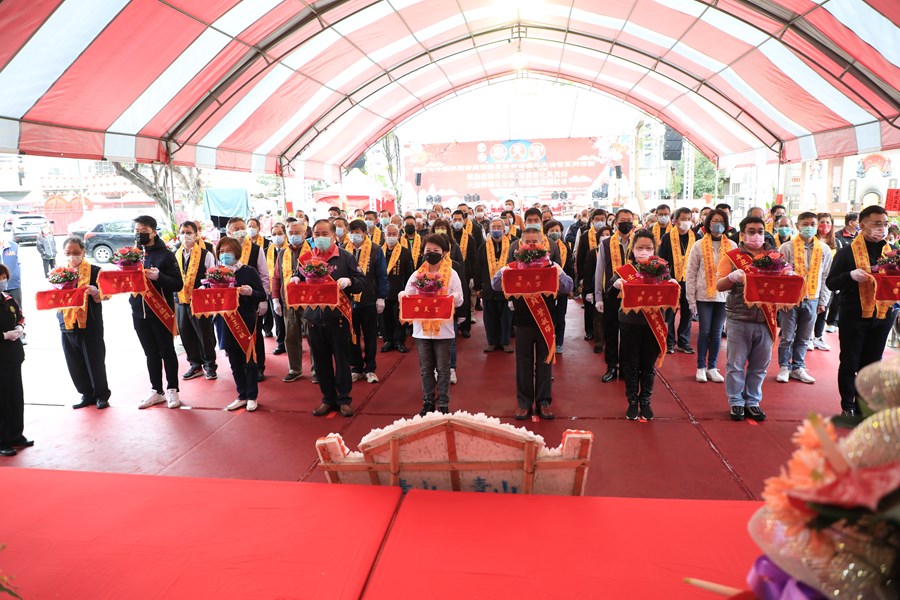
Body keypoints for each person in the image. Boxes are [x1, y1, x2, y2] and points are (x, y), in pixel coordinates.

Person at [493, 227, 573, 420]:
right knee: (523, 363)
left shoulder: (551, 266)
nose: (531, 246)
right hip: (522, 322)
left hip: (545, 321)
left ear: (543, 244)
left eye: (534, 242)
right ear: (520, 245)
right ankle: (524, 403)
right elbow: (495, 286)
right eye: (527, 242)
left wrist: (558, 273)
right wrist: (503, 271)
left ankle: (544, 402)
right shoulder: (514, 267)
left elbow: (568, 286)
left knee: (545, 362)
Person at [825, 205, 896, 417]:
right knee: (850, 361)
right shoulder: (847, 252)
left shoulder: (892, 252)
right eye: (876, 224)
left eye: (884, 224)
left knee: (873, 364)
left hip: (883, 314)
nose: (881, 228)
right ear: (862, 225)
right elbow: (831, 283)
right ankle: (848, 405)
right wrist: (850, 276)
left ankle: (864, 405)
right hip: (854, 314)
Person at [302, 220, 365, 416]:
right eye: (316, 234)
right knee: (320, 362)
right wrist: (296, 278)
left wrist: (350, 281)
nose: (320, 238)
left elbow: (361, 282)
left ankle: (344, 399)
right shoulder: (307, 260)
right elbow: (299, 279)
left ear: (333, 235)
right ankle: (327, 398)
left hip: (338, 318)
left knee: (342, 359)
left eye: (324, 234)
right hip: (313, 318)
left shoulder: (345, 257)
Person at [715, 216, 775, 422]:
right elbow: (719, 285)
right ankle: (736, 401)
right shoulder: (732, 257)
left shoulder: (774, 256)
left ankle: (752, 401)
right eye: (751, 231)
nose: (756, 235)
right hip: (739, 317)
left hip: (766, 318)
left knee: (760, 366)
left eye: (760, 230)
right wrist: (732, 278)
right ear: (742, 234)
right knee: (736, 364)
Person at [610, 229, 671, 420]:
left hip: (653, 324)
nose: (644, 251)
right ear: (633, 250)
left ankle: (645, 401)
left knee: (648, 365)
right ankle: (632, 401)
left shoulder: (662, 270)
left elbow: (669, 293)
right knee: (630, 364)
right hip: (630, 323)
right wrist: (616, 284)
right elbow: (611, 288)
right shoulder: (625, 271)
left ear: (655, 249)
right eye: (640, 248)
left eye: (648, 248)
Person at [400, 235, 464, 416]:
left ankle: (443, 403)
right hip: (421, 331)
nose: (432, 254)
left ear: (444, 253)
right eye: (428, 251)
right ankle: (428, 402)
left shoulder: (452, 273)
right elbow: (409, 294)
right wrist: (403, 294)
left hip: (444, 330)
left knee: (444, 369)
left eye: (436, 251)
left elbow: (460, 299)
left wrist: (448, 298)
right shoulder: (417, 274)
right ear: (423, 253)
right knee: (426, 369)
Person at [133, 215, 185, 410]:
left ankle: (172, 389)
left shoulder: (166, 254)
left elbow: (178, 284)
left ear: (154, 231)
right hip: (139, 312)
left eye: (143, 231)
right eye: (137, 231)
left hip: (160, 311)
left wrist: (159, 277)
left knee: (167, 351)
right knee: (150, 353)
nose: (139, 234)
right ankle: (157, 391)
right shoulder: (133, 254)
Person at [211, 237, 268, 412]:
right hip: (224, 321)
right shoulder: (215, 273)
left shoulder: (248, 271)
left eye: (228, 251)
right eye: (221, 251)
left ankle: (252, 395)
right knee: (234, 360)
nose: (225, 255)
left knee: (249, 360)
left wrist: (251, 292)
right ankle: (242, 394)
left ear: (237, 252)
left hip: (245, 320)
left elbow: (261, 294)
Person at [776, 212, 832, 385]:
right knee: (787, 335)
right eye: (805, 224)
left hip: (812, 297)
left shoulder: (824, 249)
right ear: (798, 226)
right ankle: (784, 366)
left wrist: (823, 300)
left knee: (804, 336)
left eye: (812, 224)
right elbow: (779, 275)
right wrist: (782, 300)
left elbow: (826, 277)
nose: (809, 227)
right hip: (791, 299)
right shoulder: (787, 247)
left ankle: (798, 367)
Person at [58, 237, 111, 410]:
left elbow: (107, 294)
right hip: (66, 322)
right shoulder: (60, 273)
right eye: (68, 253)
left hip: (90, 323)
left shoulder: (95, 271)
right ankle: (86, 393)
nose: (72, 257)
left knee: (94, 359)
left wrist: (96, 292)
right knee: (73, 360)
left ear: (84, 252)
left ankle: (101, 395)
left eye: (76, 253)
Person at [686, 209, 735, 383]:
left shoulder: (732, 246)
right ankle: (701, 366)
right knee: (704, 331)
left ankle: (712, 367)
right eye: (714, 220)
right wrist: (690, 299)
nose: (718, 224)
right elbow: (691, 273)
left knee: (716, 333)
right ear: (708, 223)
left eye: (721, 221)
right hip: (703, 296)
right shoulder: (698, 245)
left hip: (723, 297)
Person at [225, 217, 271, 381]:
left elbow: (264, 275)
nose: (240, 231)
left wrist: (264, 298)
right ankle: (240, 366)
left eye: (242, 227)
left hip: (252, 300)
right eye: (236, 228)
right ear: (229, 231)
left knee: (255, 335)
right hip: (230, 303)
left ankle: (258, 366)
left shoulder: (255, 249)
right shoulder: (224, 251)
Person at [174, 221, 218, 382]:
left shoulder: (206, 254)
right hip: (180, 299)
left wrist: (203, 288)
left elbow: (212, 277)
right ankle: (194, 364)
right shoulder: (175, 253)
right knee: (185, 332)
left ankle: (210, 365)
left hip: (200, 300)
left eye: (189, 232)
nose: (186, 235)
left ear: (196, 234)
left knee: (204, 333)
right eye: (183, 232)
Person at [595, 209, 636, 382]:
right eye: (622, 220)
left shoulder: (639, 242)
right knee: (611, 332)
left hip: (633, 294)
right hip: (612, 293)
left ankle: (627, 367)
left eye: (629, 220)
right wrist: (598, 297)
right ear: (616, 223)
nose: (626, 223)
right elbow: (599, 271)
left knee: (630, 333)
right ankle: (611, 366)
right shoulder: (605, 244)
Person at [346, 219, 388, 383]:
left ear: (365, 233)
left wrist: (381, 297)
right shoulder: (344, 250)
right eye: (352, 232)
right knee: (352, 335)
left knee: (370, 335)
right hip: (349, 301)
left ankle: (370, 368)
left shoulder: (376, 250)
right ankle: (356, 367)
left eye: (358, 232)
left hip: (369, 299)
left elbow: (382, 275)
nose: (354, 235)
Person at [271, 220, 312, 382]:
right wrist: (275, 299)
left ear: (304, 233)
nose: (294, 236)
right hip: (288, 301)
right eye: (291, 233)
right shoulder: (282, 253)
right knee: (291, 336)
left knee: (312, 335)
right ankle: (295, 369)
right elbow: (276, 278)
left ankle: (317, 369)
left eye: (298, 233)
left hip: (309, 301)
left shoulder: (313, 251)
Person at [658, 207, 698, 354]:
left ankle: (683, 341)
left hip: (689, 281)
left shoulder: (696, 239)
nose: (686, 222)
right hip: (671, 281)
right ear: (675, 220)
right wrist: (667, 279)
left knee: (687, 312)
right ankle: (669, 342)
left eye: (689, 218)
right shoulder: (667, 238)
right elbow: (661, 261)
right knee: (669, 313)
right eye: (683, 219)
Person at [0, 263, 28, 456]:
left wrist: (19, 329)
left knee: (16, 397)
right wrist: (3, 336)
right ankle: (2, 441)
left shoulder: (9, 299)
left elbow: (20, 317)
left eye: (4, 277)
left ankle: (16, 434)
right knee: (2, 400)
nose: (3, 281)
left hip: (13, 356)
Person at [474, 218, 513, 352]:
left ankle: (505, 342)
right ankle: (492, 341)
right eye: (493, 227)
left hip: (506, 288)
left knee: (506, 317)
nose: (496, 230)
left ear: (504, 229)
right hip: (488, 288)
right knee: (490, 317)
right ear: (490, 230)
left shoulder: (512, 245)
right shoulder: (483, 247)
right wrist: (478, 287)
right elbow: (477, 268)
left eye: (499, 227)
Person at [380, 224, 415, 353]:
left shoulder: (405, 252)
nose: (391, 237)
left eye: (394, 234)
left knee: (398, 317)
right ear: (384, 235)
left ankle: (399, 341)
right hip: (383, 292)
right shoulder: (379, 251)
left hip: (399, 291)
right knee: (385, 317)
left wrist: (408, 291)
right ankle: (388, 340)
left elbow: (410, 273)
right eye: (389, 234)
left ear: (399, 235)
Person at [546, 219, 573, 354]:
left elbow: (569, 267)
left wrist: (570, 288)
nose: (555, 233)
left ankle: (559, 342)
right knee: (549, 315)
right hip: (547, 289)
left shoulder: (565, 246)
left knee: (561, 316)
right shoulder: (543, 247)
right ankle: (548, 340)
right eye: (552, 231)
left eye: (557, 230)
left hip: (562, 288)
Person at [811, 212, 839, 346]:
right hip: (813, 280)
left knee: (823, 308)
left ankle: (818, 336)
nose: (825, 225)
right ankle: (808, 336)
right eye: (822, 222)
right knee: (811, 309)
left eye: (828, 222)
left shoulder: (836, 242)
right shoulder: (811, 240)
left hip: (829, 281)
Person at [582, 226, 610, 354]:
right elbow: (588, 273)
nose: (606, 236)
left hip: (611, 289)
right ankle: (599, 342)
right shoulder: (592, 253)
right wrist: (588, 291)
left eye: (608, 234)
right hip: (597, 289)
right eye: (603, 234)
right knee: (598, 317)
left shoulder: (615, 252)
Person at [450, 210, 477, 338]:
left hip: (465, 271)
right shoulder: (449, 237)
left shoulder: (469, 237)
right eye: (454, 219)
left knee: (464, 297)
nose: (457, 222)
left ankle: (465, 327)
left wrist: (472, 276)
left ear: (464, 220)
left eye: (459, 219)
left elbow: (473, 257)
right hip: (450, 271)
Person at [266, 222, 289, 355]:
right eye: (274, 234)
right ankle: (281, 342)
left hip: (288, 289)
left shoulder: (289, 250)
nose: (277, 237)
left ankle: (291, 341)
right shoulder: (267, 251)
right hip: (273, 288)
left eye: (280, 234)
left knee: (290, 319)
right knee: (278, 318)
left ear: (285, 235)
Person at [0, 230, 23, 309]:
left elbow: (20, 263)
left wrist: (17, 278)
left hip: (14, 285)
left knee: (17, 308)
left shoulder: (14, 246)